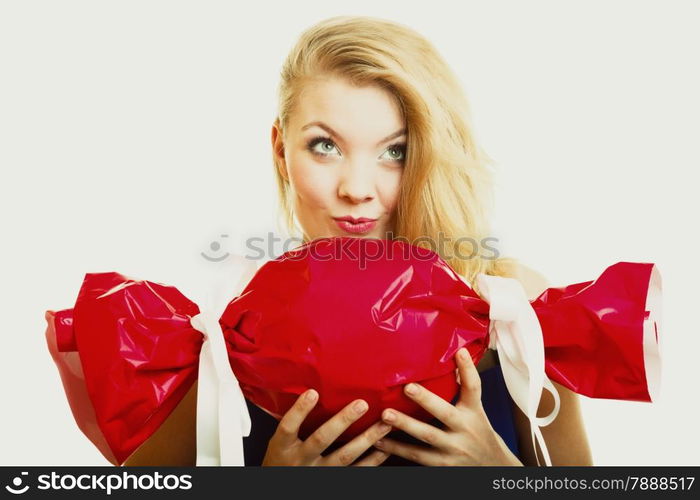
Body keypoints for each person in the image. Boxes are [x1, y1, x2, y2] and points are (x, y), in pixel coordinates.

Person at [124, 15, 593, 467]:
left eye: (396, 151)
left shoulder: (517, 309)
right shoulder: (225, 325)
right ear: (282, 152)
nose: (356, 188)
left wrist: (497, 471)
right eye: (325, 145)